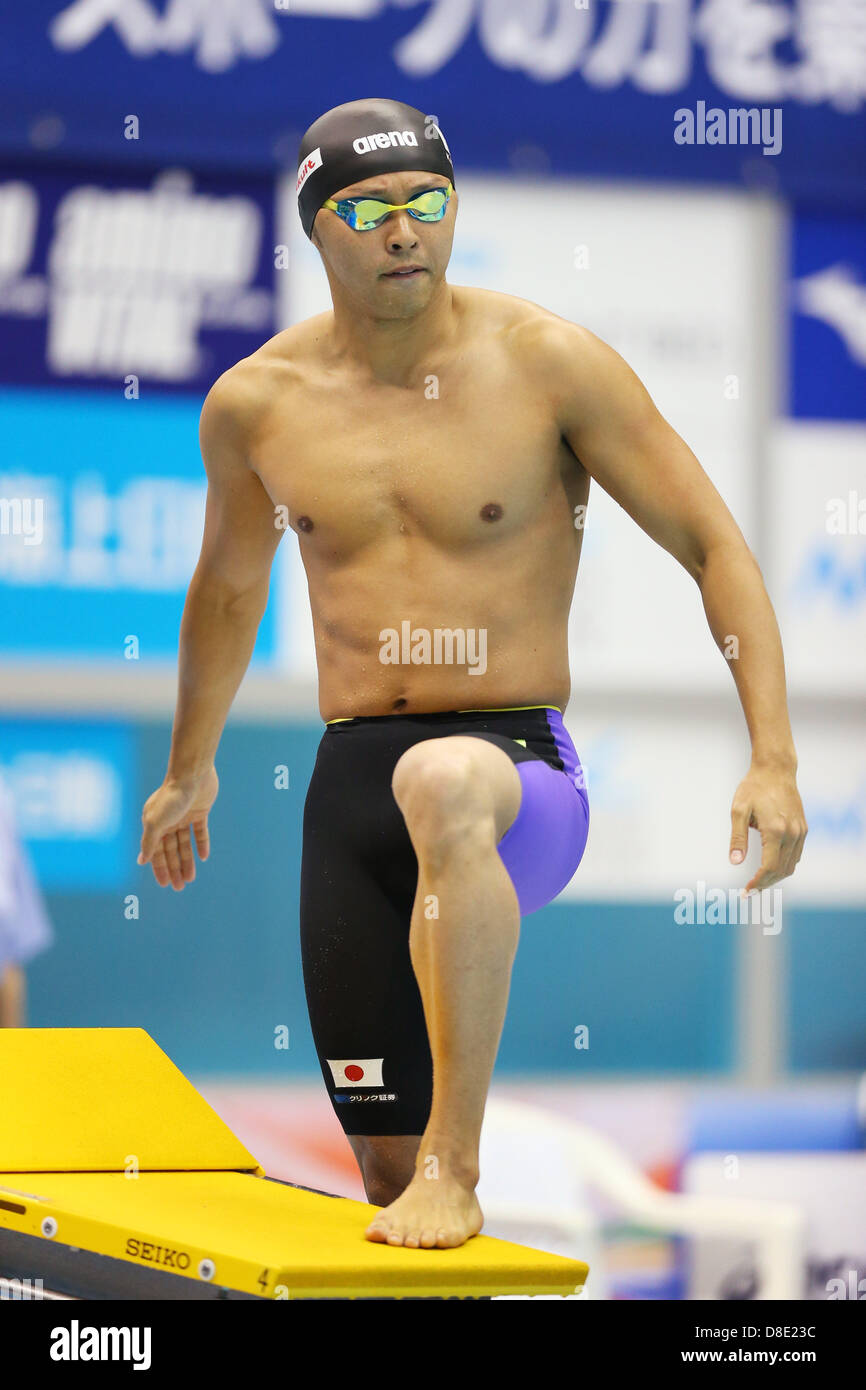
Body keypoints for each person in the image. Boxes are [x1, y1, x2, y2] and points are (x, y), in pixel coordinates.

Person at [138, 98, 807, 1251]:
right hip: (351, 789)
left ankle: (462, 1161)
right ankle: (419, 1175)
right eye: (370, 209)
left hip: (512, 768)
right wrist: (188, 768)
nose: (405, 231)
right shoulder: (257, 404)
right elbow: (230, 590)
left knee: (443, 781)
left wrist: (774, 756)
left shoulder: (544, 364)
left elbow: (711, 545)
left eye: (426, 203)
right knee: (380, 1176)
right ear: (318, 227)